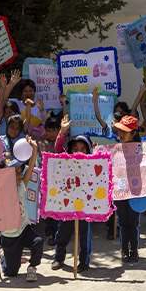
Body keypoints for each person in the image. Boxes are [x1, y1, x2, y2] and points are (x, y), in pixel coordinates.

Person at [51, 115, 94, 272]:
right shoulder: (65, 161)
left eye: (83, 149)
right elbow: (57, 150)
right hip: (67, 204)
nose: (79, 152)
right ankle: (58, 258)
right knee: (62, 233)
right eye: (75, 149)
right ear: (69, 152)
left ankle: (84, 261)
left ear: (89, 152)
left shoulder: (93, 164)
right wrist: (62, 132)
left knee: (85, 236)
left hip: (86, 206)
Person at [0, 137, 43, 282]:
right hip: (9, 236)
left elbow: (30, 168)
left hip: (24, 229)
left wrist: (34, 149)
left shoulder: (21, 186)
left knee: (38, 242)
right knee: (11, 272)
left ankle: (32, 268)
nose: (19, 176)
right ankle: (4, 256)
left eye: (19, 172)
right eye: (14, 173)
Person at [113, 116, 142, 263]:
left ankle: (134, 249)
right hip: (120, 192)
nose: (121, 134)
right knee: (123, 222)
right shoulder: (115, 149)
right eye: (120, 131)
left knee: (134, 223)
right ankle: (124, 249)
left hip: (136, 192)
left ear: (134, 133)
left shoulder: (141, 149)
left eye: (125, 131)